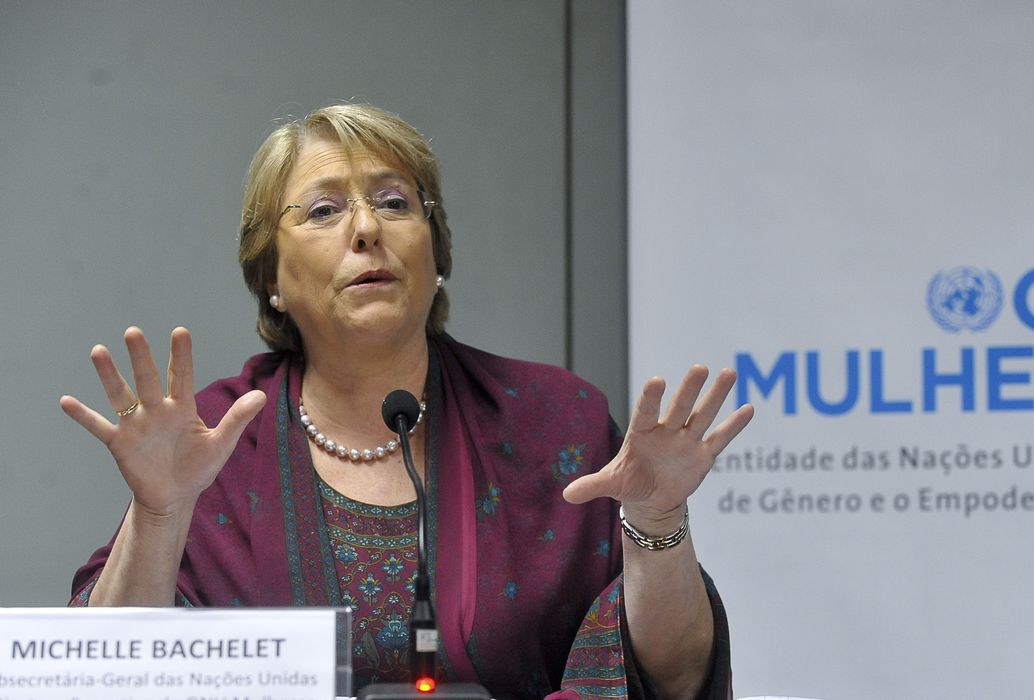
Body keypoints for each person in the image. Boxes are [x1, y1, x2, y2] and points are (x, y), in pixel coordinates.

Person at [63, 104, 754, 699]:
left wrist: (659, 520)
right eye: (324, 210)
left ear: (436, 254)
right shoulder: (216, 440)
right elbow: (107, 677)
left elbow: (672, 678)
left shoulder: (554, 423)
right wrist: (159, 513)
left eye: (395, 202)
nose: (367, 228)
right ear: (271, 276)